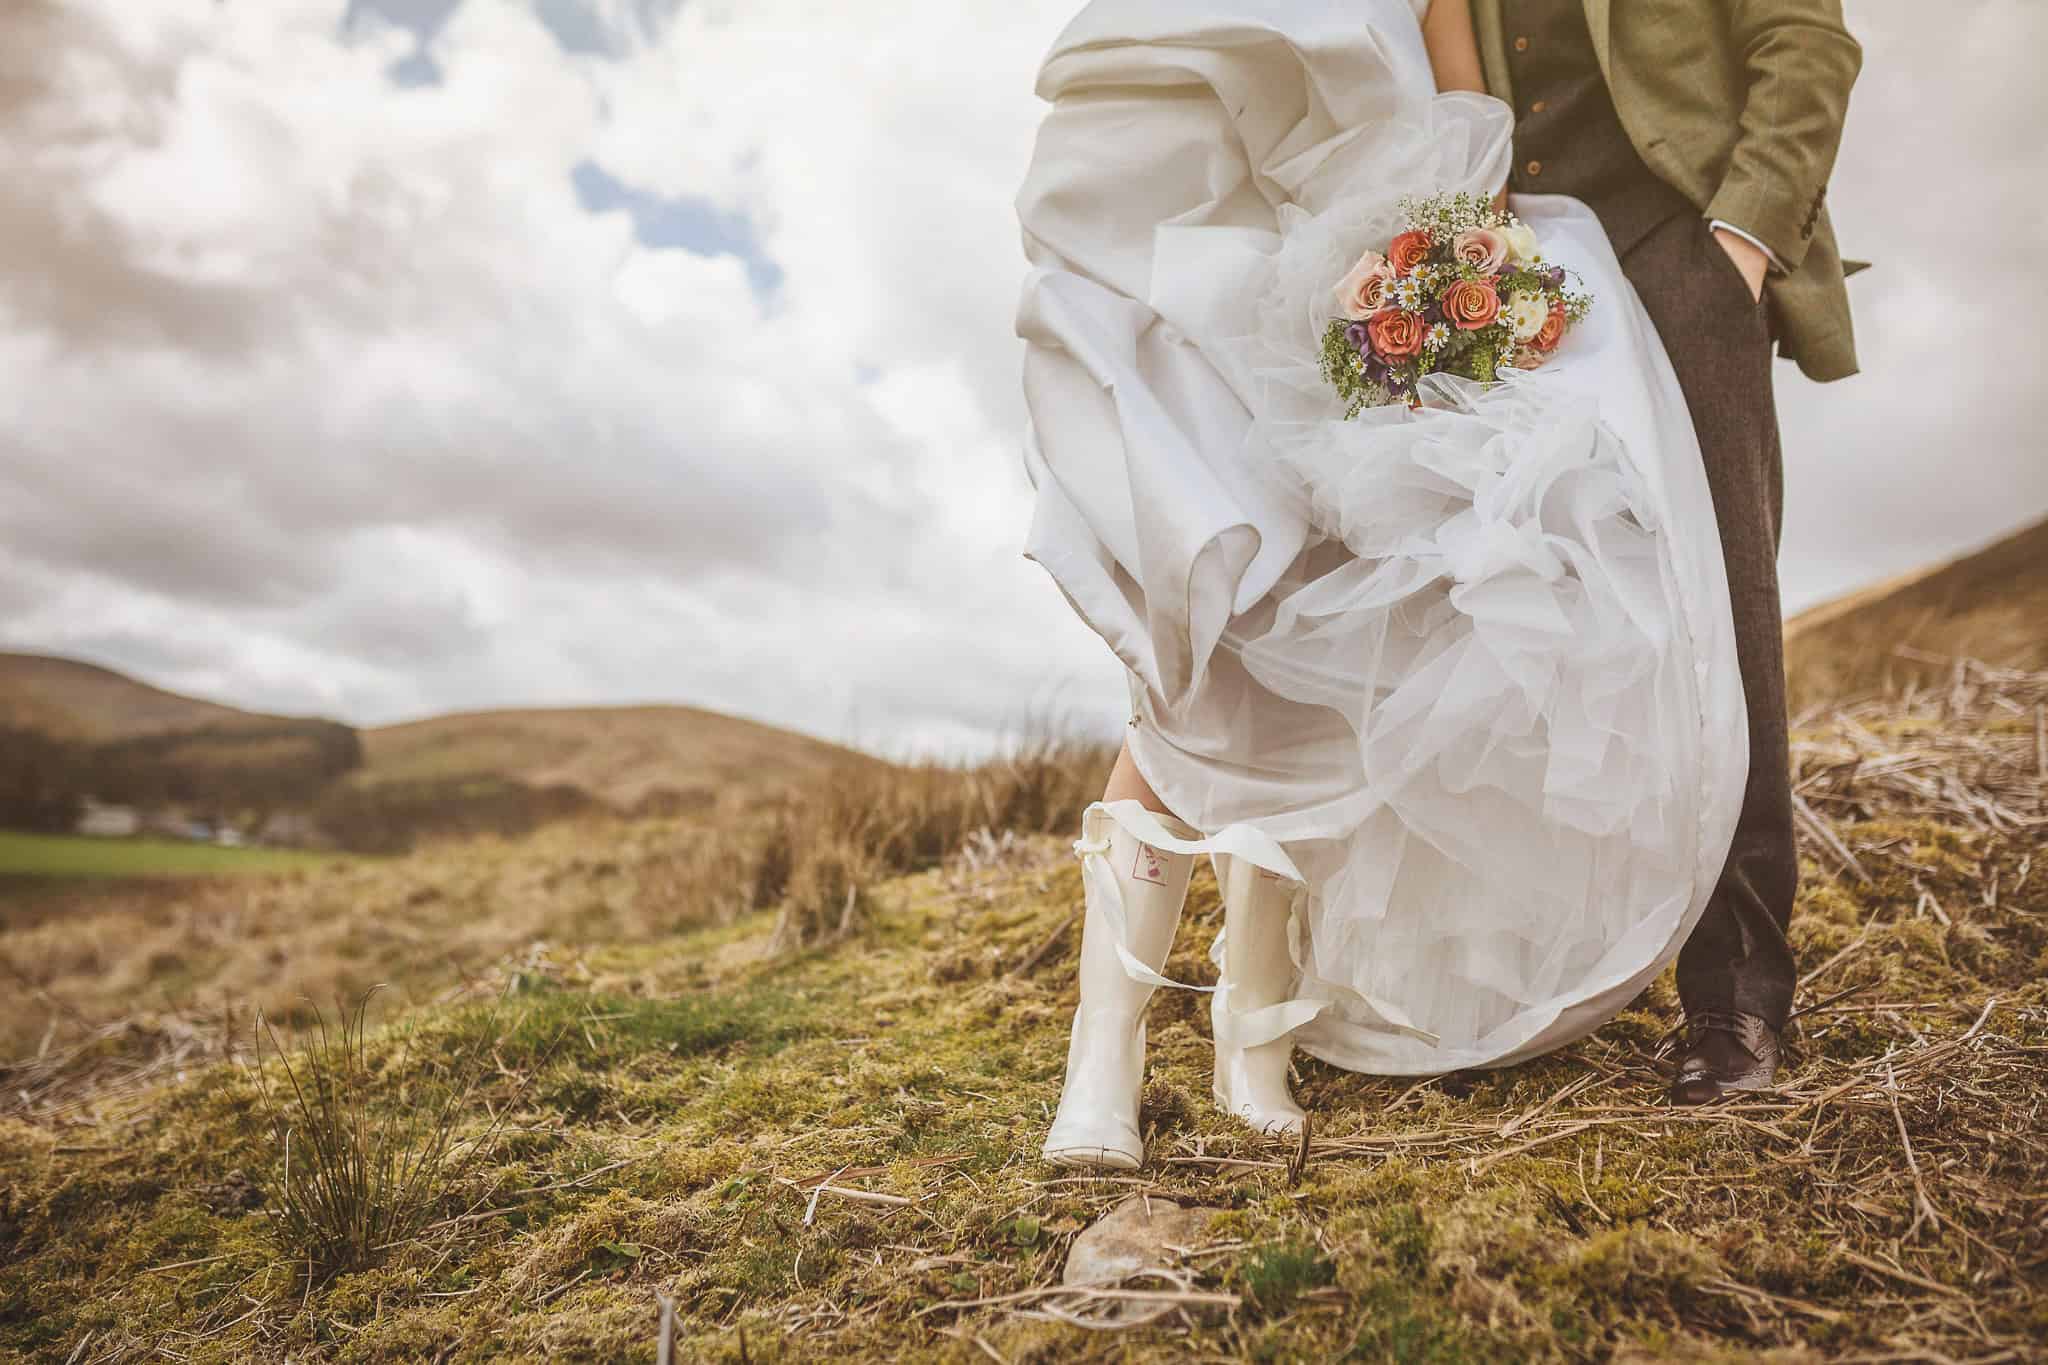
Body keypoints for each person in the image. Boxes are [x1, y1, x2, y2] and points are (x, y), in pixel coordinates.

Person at [1015, 0, 1859, 1171]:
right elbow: (1461, 101)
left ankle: (1733, 999)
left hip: (1675, 236)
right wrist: (1441, 254)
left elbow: (1801, 41)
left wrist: (1740, 242)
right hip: (1459, 243)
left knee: (1721, 608)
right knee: (1361, 602)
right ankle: (1180, 1034)